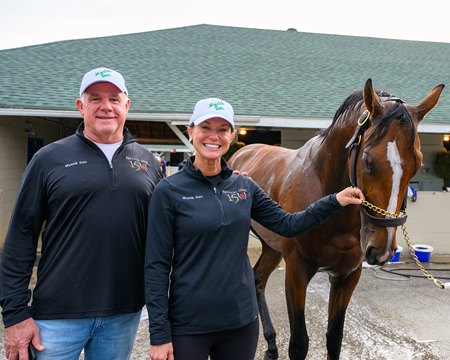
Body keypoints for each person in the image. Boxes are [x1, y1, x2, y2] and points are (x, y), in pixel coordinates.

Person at [144, 97, 364, 360]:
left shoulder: (243, 187)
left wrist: (334, 201)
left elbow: (287, 224)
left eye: (222, 129)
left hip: (240, 323)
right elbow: (156, 266)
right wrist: (159, 334)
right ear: (191, 131)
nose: (213, 136)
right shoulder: (168, 191)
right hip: (189, 326)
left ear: (232, 136)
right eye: (206, 127)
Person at [0, 67, 162, 359]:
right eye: (95, 98)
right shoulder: (49, 159)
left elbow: (168, 230)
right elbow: (21, 237)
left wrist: (230, 185)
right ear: (80, 106)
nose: (106, 106)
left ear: (127, 105)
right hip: (57, 315)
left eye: (114, 98)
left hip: (123, 313)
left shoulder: (149, 162)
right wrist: (14, 314)